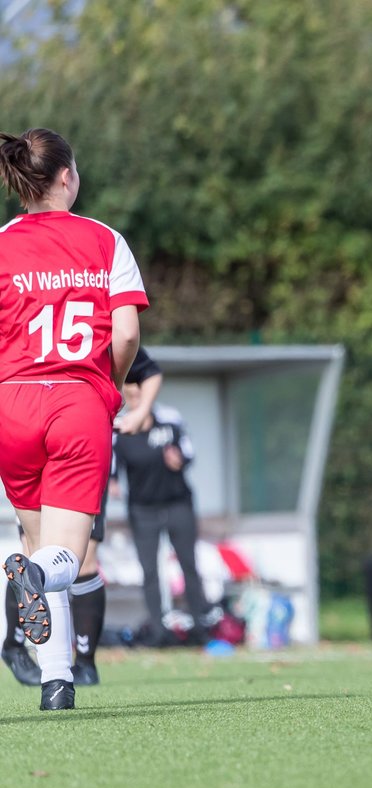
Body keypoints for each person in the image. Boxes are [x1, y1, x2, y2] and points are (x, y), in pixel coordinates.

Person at [0, 127, 146, 710]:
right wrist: (111, 383)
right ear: (66, 177)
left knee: (38, 543)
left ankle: (56, 683)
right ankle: (35, 587)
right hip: (76, 399)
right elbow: (129, 331)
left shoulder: (3, 241)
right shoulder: (105, 239)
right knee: (66, 555)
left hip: (13, 400)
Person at [2, 346, 163, 688]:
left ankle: (83, 662)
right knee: (36, 554)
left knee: (78, 559)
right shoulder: (30, 309)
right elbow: (128, 329)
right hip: (43, 438)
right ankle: (19, 648)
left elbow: (142, 360)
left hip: (80, 444)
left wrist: (132, 407)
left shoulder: (93, 315)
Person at [111, 380, 218, 644]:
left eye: (139, 394)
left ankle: (199, 628)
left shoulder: (170, 419)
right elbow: (112, 466)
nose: (135, 400)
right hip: (142, 508)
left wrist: (179, 459)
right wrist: (112, 482)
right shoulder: (120, 427)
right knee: (149, 570)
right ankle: (159, 632)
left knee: (188, 564)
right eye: (130, 395)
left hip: (177, 503)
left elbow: (188, 452)